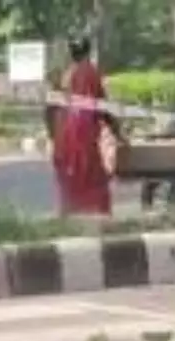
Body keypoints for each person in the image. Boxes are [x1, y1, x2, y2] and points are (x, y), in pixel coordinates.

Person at [51, 35, 127, 216]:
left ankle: (71, 212)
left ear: (71, 53)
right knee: (91, 174)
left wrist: (53, 134)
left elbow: (51, 108)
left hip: (64, 133)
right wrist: (118, 133)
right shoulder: (91, 72)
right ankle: (97, 214)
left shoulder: (65, 74)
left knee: (70, 173)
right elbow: (101, 106)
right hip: (84, 132)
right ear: (88, 51)